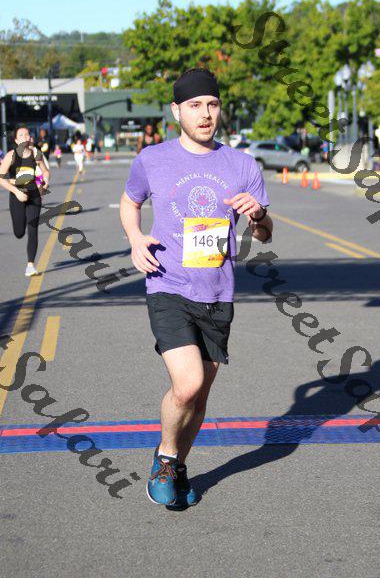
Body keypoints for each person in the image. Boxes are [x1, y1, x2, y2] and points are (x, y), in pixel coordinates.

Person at [120, 67, 273, 509]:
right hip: (167, 283)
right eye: (194, 105)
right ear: (176, 111)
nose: (205, 114)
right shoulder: (152, 159)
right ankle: (165, 459)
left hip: (217, 291)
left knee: (200, 397)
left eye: (212, 104)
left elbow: (264, 234)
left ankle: (179, 465)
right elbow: (130, 201)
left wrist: (259, 216)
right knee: (187, 384)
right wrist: (135, 239)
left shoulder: (242, 165)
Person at [0, 124, 50, 276]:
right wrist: (16, 191)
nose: (25, 137)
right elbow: (1, 178)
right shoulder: (11, 155)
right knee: (19, 232)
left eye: (27, 134)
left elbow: (45, 172)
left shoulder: (36, 153)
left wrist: (44, 183)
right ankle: (19, 231)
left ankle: (30, 265)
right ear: (16, 140)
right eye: (21, 135)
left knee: (33, 228)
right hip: (17, 196)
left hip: (34, 195)